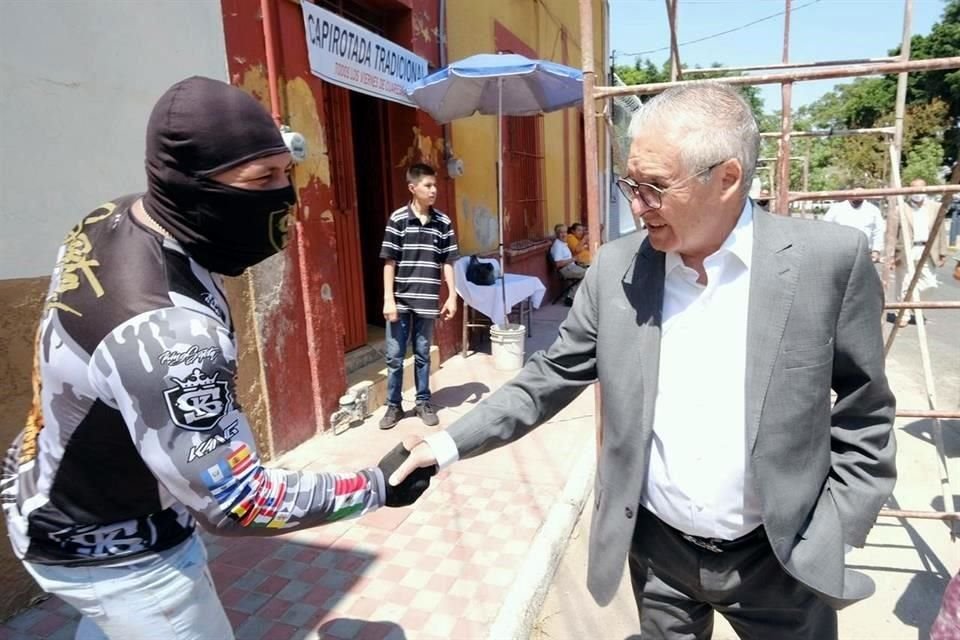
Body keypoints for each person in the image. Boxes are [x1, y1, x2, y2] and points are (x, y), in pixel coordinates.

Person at [386, 83, 896, 640]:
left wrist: (838, 527)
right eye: (632, 184)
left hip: (782, 562)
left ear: (726, 179)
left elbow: (864, 410)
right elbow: (549, 376)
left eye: (654, 188)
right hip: (659, 559)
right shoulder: (618, 268)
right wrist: (446, 444)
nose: (635, 205)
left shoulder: (827, 263)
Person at [0, 76, 433, 640]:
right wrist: (373, 485)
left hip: (48, 499)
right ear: (191, 187)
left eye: (286, 172)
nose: (286, 198)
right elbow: (237, 500)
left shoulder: (111, 216)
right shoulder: (168, 335)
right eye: (261, 179)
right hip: (119, 551)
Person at [379, 163, 459, 430]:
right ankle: (393, 406)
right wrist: (388, 299)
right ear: (413, 188)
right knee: (394, 355)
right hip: (400, 300)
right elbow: (389, 261)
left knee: (423, 353)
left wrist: (451, 296)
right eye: (428, 185)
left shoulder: (443, 222)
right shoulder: (398, 219)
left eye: (435, 185)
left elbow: (448, 261)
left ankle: (423, 401)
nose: (434, 190)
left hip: (427, 301)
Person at [896, 179, 948, 326]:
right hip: (907, 250)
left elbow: (941, 231)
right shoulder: (901, 208)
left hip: (928, 249)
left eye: (920, 190)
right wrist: (892, 254)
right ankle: (903, 314)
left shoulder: (935, 207)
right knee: (905, 282)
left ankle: (912, 302)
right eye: (914, 190)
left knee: (929, 283)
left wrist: (942, 252)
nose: (917, 194)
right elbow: (893, 232)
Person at [822, 189, 885, 262]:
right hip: (840, 253)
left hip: (864, 253)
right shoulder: (836, 209)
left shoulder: (873, 210)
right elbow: (825, 228)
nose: (857, 196)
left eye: (861, 194)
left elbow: (878, 231)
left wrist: (876, 251)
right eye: (855, 194)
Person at [550, 223, 586, 305]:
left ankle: (574, 296)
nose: (564, 234)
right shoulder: (558, 246)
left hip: (571, 267)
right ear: (557, 234)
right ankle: (571, 297)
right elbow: (558, 264)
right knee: (587, 274)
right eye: (561, 232)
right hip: (565, 269)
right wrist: (573, 259)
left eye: (565, 232)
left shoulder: (563, 243)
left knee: (590, 271)